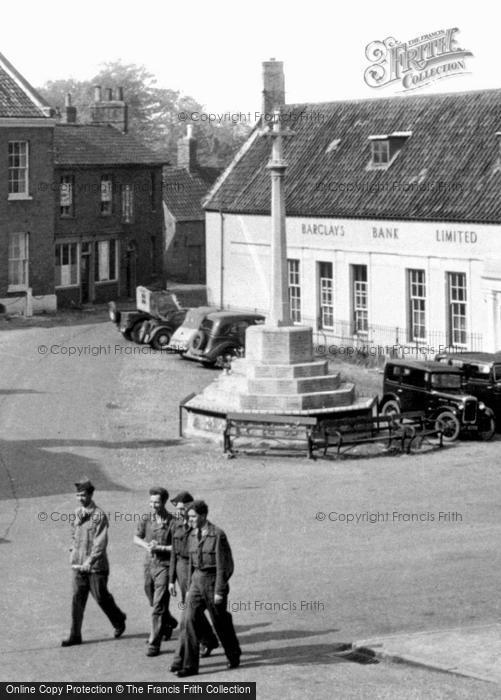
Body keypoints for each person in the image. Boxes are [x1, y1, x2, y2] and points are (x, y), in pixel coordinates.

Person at [174, 500, 241, 677]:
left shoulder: (218, 535)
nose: (191, 520)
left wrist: (220, 590)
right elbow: (190, 565)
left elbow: (224, 565)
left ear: (203, 516)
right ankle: (189, 666)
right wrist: (188, 587)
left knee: (220, 622)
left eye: (194, 517)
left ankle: (233, 654)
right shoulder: (191, 535)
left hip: (213, 582)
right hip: (196, 581)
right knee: (188, 619)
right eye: (189, 517)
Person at [61, 479, 126, 647]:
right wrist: (73, 550)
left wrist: (90, 561)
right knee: (77, 600)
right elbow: (74, 533)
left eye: (83, 495)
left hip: (96, 567)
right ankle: (75, 635)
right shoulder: (77, 513)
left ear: (90, 495)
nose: (80, 498)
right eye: (78, 495)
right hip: (78, 565)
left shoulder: (99, 515)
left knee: (101, 597)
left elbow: (100, 542)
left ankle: (118, 619)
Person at [168, 492, 218, 672]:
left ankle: (179, 658)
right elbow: (174, 553)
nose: (180, 512)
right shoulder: (176, 525)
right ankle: (210, 639)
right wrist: (171, 580)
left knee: (186, 617)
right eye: (178, 509)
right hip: (182, 571)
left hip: (197, 572)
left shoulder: (197, 525)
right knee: (191, 613)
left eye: (183, 509)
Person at [134, 486, 178, 657]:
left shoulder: (173, 522)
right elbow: (136, 537)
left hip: (165, 567)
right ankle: (169, 622)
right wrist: (147, 546)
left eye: (157, 502)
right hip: (149, 565)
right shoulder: (146, 519)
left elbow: (178, 546)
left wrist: (160, 547)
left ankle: (154, 642)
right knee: (152, 599)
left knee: (158, 606)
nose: (153, 505)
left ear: (164, 502)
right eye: (151, 502)